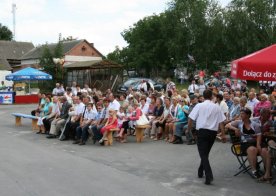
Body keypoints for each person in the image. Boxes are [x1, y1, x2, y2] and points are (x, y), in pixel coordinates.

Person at [187, 89, 226, 185]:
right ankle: (200, 170)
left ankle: (208, 175)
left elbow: (191, 118)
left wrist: (188, 129)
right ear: (212, 96)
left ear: (203, 97)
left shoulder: (199, 105)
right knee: (205, 153)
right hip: (212, 133)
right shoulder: (216, 107)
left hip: (202, 131)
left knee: (203, 154)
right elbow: (221, 121)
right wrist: (223, 134)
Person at [226, 108, 262, 178]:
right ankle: (254, 171)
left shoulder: (254, 123)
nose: (241, 115)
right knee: (252, 150)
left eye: (242, 113)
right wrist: (235, 129)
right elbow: (227, 125)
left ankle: (266, 170)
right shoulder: (239, 122)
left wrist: (258, 144)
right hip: (245, 143)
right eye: (241, 113)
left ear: (248, 115)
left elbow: (259, 135)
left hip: (254, 142)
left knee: (264, 149)